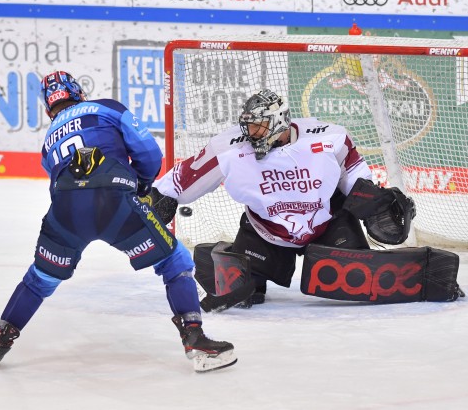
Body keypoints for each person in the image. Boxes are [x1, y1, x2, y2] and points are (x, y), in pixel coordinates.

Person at [0, 71, 236, 373]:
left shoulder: (48, 142)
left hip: (65, 212)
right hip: (115, 203)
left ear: (49, 107)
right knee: (174, 261)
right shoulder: (106, 108)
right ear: (79, 92)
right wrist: (140, 188)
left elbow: (57, 191)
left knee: (40, 279)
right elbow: (150, 154)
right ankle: (194, 338)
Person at [154, 89, 411, 307]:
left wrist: (374, 202)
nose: (252, 132)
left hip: (328, 224)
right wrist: (161, 196)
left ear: (279, 121)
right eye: (249, 126)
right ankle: (219, 255)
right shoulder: (229, 148)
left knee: (357, 280)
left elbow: (355, 176)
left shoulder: (329, 137)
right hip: (266, 232)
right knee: (245, 292)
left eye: (259, 125)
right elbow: (186, 175)